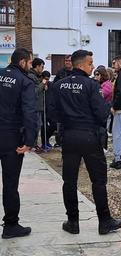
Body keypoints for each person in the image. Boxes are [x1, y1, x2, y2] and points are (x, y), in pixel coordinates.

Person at [50, 50, 121, 235]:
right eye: (90, 63)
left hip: (69, 136)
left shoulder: (58, 85)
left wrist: (65, 121)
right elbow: (100, 113)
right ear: (81, 65)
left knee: (69, 181)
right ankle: (104, 221)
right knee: (98, 181)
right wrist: (108, 107)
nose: (92, 67)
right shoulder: (91, 85)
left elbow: (51, 113)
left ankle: (72, 221)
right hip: (90, 136)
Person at [0, 48, 38, 238]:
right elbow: (30, 112)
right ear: (22, 62)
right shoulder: (25, 81)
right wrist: (30, 141)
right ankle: (11, 225)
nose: (30, 66)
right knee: (10, 183)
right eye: (30, 63)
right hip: (10, 137)